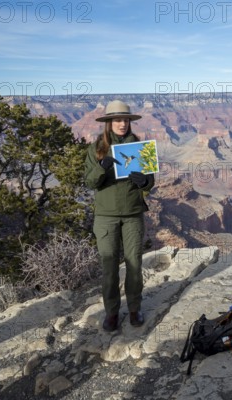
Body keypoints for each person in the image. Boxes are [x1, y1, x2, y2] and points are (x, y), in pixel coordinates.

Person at [84, 100, 155, 332]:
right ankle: (112, 312)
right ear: (108, 123)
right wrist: (101, 166)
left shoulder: (140, 147)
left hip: (133, 213)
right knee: (109, 266)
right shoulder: (96, 149)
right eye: (117, 120)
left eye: (125, 120)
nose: (122, 124)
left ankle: (134, 308)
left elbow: (150, 182)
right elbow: (89, 182)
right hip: (106, 216)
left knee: (134, 264)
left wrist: (145, 182)